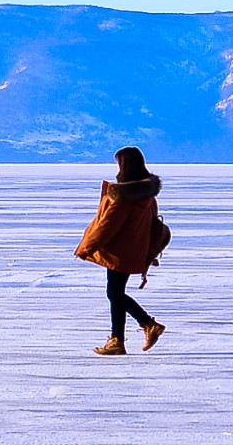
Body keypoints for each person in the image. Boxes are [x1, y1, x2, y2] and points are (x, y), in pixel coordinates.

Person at [74, 146, 167, 355]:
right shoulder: (148, 196)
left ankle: (146, 325)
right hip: (135, 249)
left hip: (119, 251)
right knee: (116, 293)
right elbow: (152, 225)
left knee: (114, 293)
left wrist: (86, 248)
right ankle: (119, 340)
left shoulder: (123, 197)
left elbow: (107, 226)